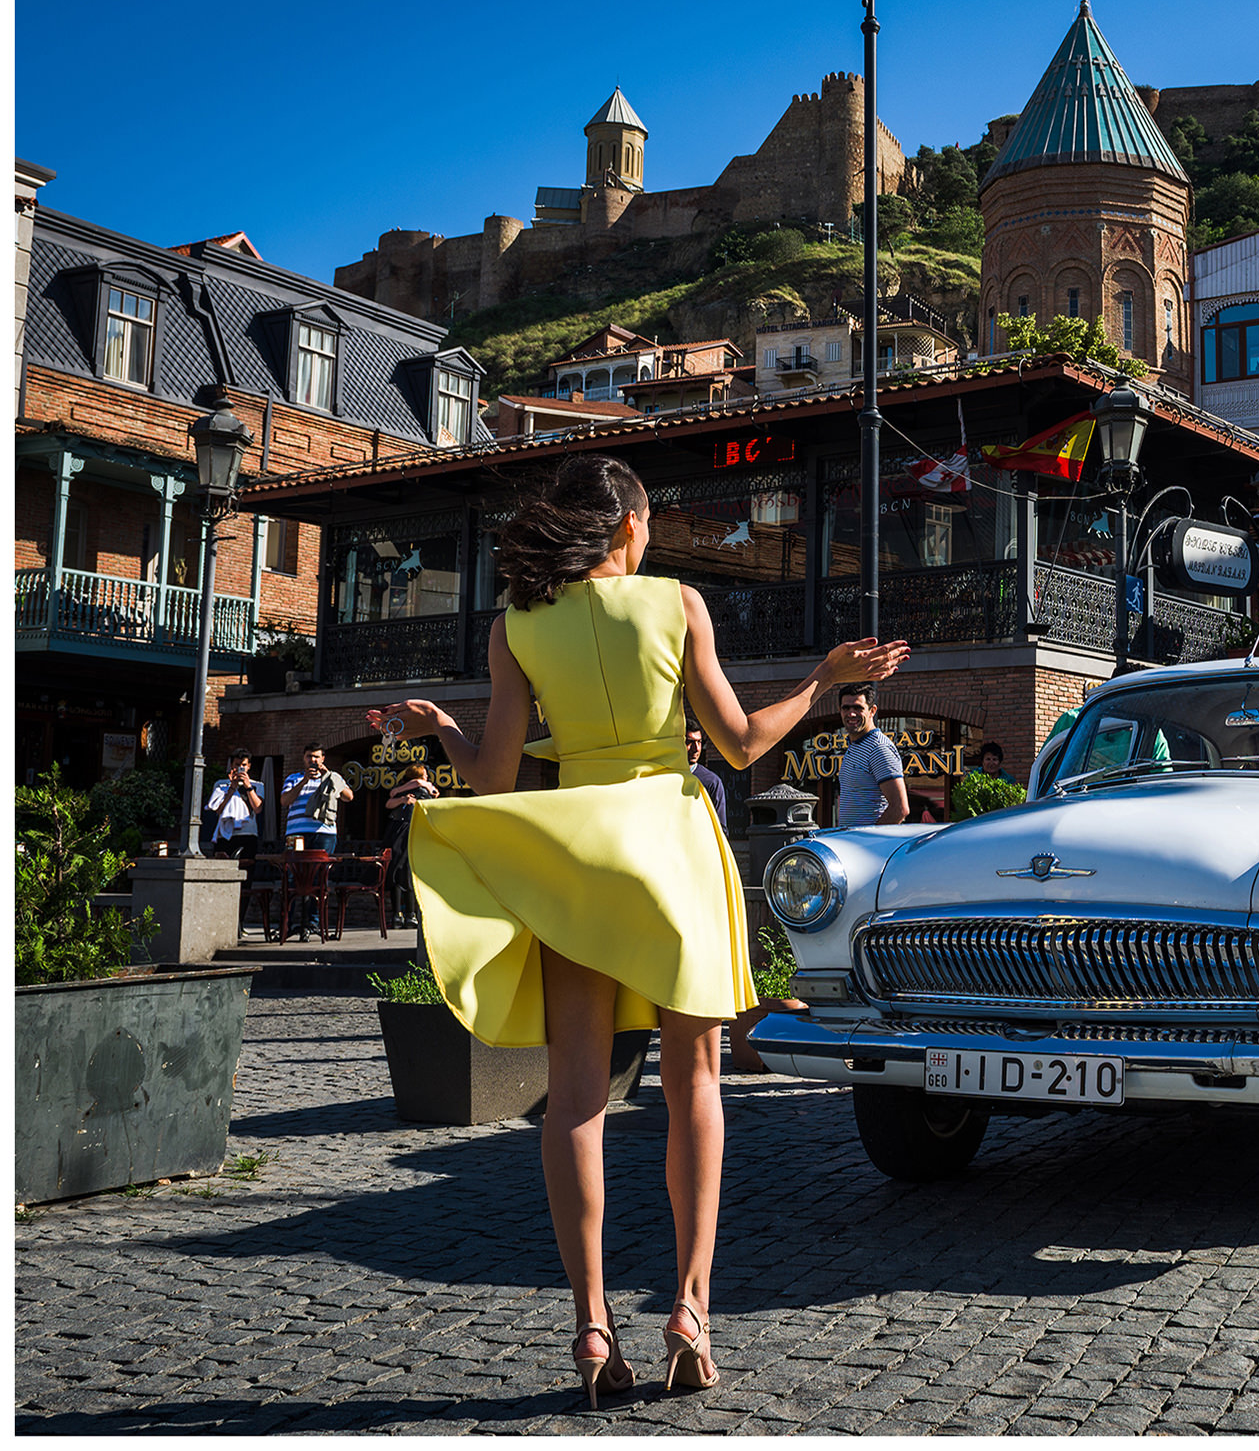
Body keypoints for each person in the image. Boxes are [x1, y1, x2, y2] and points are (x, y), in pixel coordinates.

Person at [368, 453, 908, 1407]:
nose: (651, 536)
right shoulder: (678, 603)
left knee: (576, 1095)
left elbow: (494, 782)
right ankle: (691, 1309)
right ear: (626, 525)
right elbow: (741, 744)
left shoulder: (517, 626)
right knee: (694, 1081)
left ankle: (589, 1325)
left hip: (580, 849)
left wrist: (444, 730)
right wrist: (822, 680)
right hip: (669, 844)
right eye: (649, 523)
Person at [834, 683, 909, 827]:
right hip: (851, 842)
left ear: (872, 711)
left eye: (858, 708)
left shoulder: (879, 748)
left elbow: (900, 809)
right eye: (846, 708)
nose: (851, 713)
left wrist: (867, 839)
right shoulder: (854, 746)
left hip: (867, 846)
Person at [383, 763, 440, 928]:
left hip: (417, 830)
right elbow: (389, 803)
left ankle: (408, 914)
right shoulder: (412, 787)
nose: (426, 777)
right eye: (424, 773)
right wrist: (403, 798)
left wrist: (399, 792)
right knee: (398, 870)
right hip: (403, 829)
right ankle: (401, 915)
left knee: (409, 872)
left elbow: (426, 788)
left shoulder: (426, 787)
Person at [281, 744, 351, 854]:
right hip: (297, 832)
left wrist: (328, 776)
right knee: (295, 868)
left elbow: (348, 797)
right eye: (309, 756)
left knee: (320, 868)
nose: (313, 760)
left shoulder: (333, 777)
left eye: (316, 757)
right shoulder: (293, 778)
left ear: (323, 759)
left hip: (324, 832)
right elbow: (284, 801)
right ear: (304, 758)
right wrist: (304, 781)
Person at [205, 749, 265, 859]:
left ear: (249, 766)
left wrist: (248, 787)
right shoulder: (221, 785)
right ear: (232, 765)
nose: (240, 768)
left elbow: (257, 808)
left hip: (247, 833)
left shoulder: (257, 785)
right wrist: (232, 788)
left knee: (246, 866)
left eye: (243, 765)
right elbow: (218, 810)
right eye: (237, 765)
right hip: (225, 834)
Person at [685, 721, 727, 827]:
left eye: (699, 742)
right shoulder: (666, 776)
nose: (697, 748)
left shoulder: (711, 782)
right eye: (690, 742)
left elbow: (720, 827)